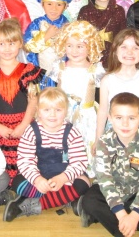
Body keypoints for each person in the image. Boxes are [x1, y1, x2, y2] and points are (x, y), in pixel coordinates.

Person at [80, 92, 139, 237]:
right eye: (119, 118)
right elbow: (105, 180)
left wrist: (134, 215)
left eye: (131, 118)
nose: (125, 124)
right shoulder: (104, 142)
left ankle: (110, 219)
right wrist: (122, 214)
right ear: (110, 118)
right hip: (109, 193)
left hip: (135, 192)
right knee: (90, 201)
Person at [3, 87, 91, 221]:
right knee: (17, 183)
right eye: (47, 110)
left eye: (58, 110)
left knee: (84, 183)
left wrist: (62, 178)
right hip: (40, 176)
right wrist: (37, 179)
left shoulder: (72, 133)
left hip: (65, 178)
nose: (52, 115)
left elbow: (79, 162)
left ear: (66, 111)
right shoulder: (31, 131)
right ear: (38, 111)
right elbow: (24, 161)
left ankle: (29, 205)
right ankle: (65, 199)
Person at [0, 18, 46, 182]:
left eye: (12, 43)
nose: (7, 48)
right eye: (2, 44)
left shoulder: (28, 70)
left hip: (22, 125)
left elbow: (33, 102)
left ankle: (23, 184)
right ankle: (1, 185)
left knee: (26, 162)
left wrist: (23, 126)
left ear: (20, 43)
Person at [49, 20, 105, 177]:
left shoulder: (95, 70)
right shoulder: (59, 68)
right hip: (62, 116)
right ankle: (63, 173)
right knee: (63, 145)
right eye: (69, 45)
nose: (74, 51)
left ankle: (84, 176)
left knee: (84, 144)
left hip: (86, 117)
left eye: (80, 46)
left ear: (90, 46)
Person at [96, 28, 139, 148]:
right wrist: (98, 139)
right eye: (124, 47)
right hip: (113, 137)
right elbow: (103, 111)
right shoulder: (107, 80)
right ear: (115, 51)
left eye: (135, 48)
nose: (130, 52)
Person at [77, 0, 126, 68]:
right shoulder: (85, 11)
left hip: (113, 61)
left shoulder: (119, 11)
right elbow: (80, 38)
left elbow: (122, 38)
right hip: (89, 62)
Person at [24, 0, 72, 73]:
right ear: (43, 5)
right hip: (40, 71)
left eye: (59, 5)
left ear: (65, 6)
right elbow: (28, 47)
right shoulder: (36, 24)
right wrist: (46, 36)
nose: (54, 9)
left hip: (61, 72)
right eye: (49, 4)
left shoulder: (68, 26)